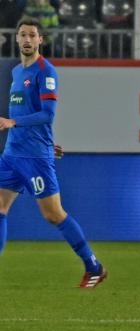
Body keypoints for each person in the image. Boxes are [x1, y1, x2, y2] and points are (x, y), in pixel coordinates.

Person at [0, 18, 107, 288]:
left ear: (40, 40)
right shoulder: (16, 73)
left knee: (53, 214)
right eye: (22, 34)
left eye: (31, 35)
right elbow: (29, 112)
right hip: (13, 154)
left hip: (35, 158)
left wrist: (15, 124)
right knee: (0, 207)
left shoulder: (45, 72)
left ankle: (93, 266)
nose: (26, 39)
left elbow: (47, 114)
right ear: (16, 39)